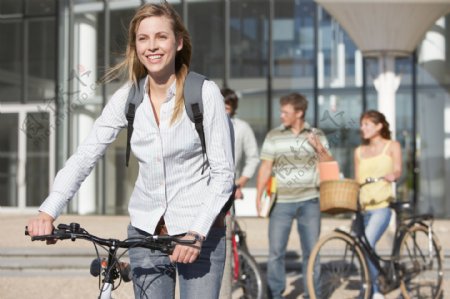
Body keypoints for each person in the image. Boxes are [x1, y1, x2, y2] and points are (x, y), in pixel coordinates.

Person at [26, 2, 235, 299]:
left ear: (178, 43)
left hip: (199, 233)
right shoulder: (128, 98)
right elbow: (86, 155)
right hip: (144, 232)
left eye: (161, 37)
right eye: (143, 38)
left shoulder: (204, 93)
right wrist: (48, 211)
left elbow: (224, 173)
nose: (152, 46)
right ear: (135, 46)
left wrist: (197, 233)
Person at [255, 93, 333, 299]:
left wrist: (318, 146)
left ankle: (311, 293)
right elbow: (265, 167)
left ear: (299, 113)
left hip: (310, 200)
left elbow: (329, 163)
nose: (281, 115)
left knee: (312, 253)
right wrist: (259, 193)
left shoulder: (316, 134)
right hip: (281, 202)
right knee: (275, 253)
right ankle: (275, 294)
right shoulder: (274, 135)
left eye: (285, 112)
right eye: (281, 111)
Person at [354, 110, 402, 299]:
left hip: (381, 207)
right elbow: (358, 180)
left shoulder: (392, 146)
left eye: (367, 124)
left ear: (379, 126)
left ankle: (372, 291)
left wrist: (393, 175)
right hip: (363, 209)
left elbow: (398, 169)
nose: (362, 128)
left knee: (367, 243)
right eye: (362, 124)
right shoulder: (358, 151)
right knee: (362, 248)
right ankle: (373, 285)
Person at [219, 88, 259, 298]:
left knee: (229, 235)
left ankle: (240, 279)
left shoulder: (242, 128)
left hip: (229, 187)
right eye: (222, 104)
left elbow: (253, 157)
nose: (225, 109)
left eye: (228, 105)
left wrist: (240, 183)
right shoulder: (206, 123)